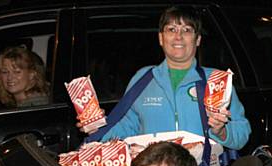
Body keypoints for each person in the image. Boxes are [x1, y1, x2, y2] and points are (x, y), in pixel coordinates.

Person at [84, 5, 251, 151]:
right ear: (161, 38)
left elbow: (242, 133)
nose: (178, 36)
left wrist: (221, 131)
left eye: (186, 30)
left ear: (197, 39)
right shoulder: (143, 78)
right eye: (171, 29)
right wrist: (97, 127)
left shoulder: (216, 80)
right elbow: (128, 127)